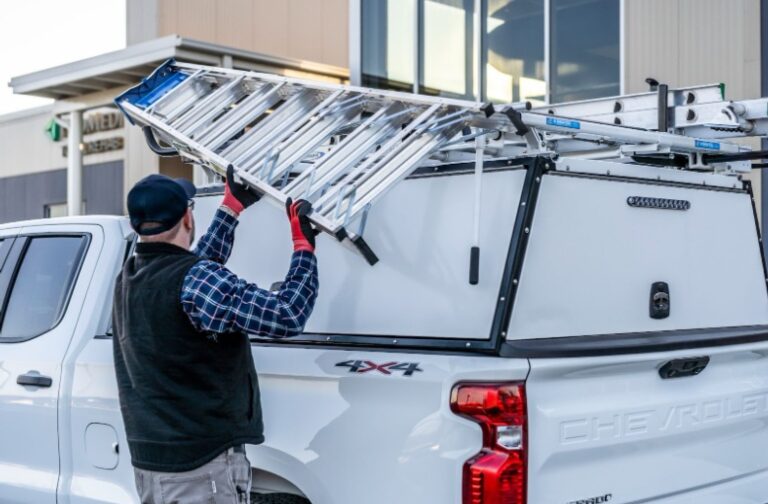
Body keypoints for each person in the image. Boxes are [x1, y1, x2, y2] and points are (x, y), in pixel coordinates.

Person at [112, 166, 319, 504]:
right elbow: (287, 315)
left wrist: (231, 209)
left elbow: (193, 269)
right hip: (200, 469)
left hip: (154, 466)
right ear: (188, 219)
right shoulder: (192, 281)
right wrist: (303, 250)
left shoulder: (131, 276)